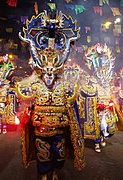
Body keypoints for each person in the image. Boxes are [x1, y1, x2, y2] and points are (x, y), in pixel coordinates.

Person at [17, 10, 85, 180]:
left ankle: (54, 171)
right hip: (41, 130)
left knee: (60, 155)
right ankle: (44, 174)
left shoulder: (65, 86)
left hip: (60, 130)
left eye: (52, 71)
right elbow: (25, 101)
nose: (49, 73)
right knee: (43, 155)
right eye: (45, 71)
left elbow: (73, 107)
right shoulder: (34, 85)